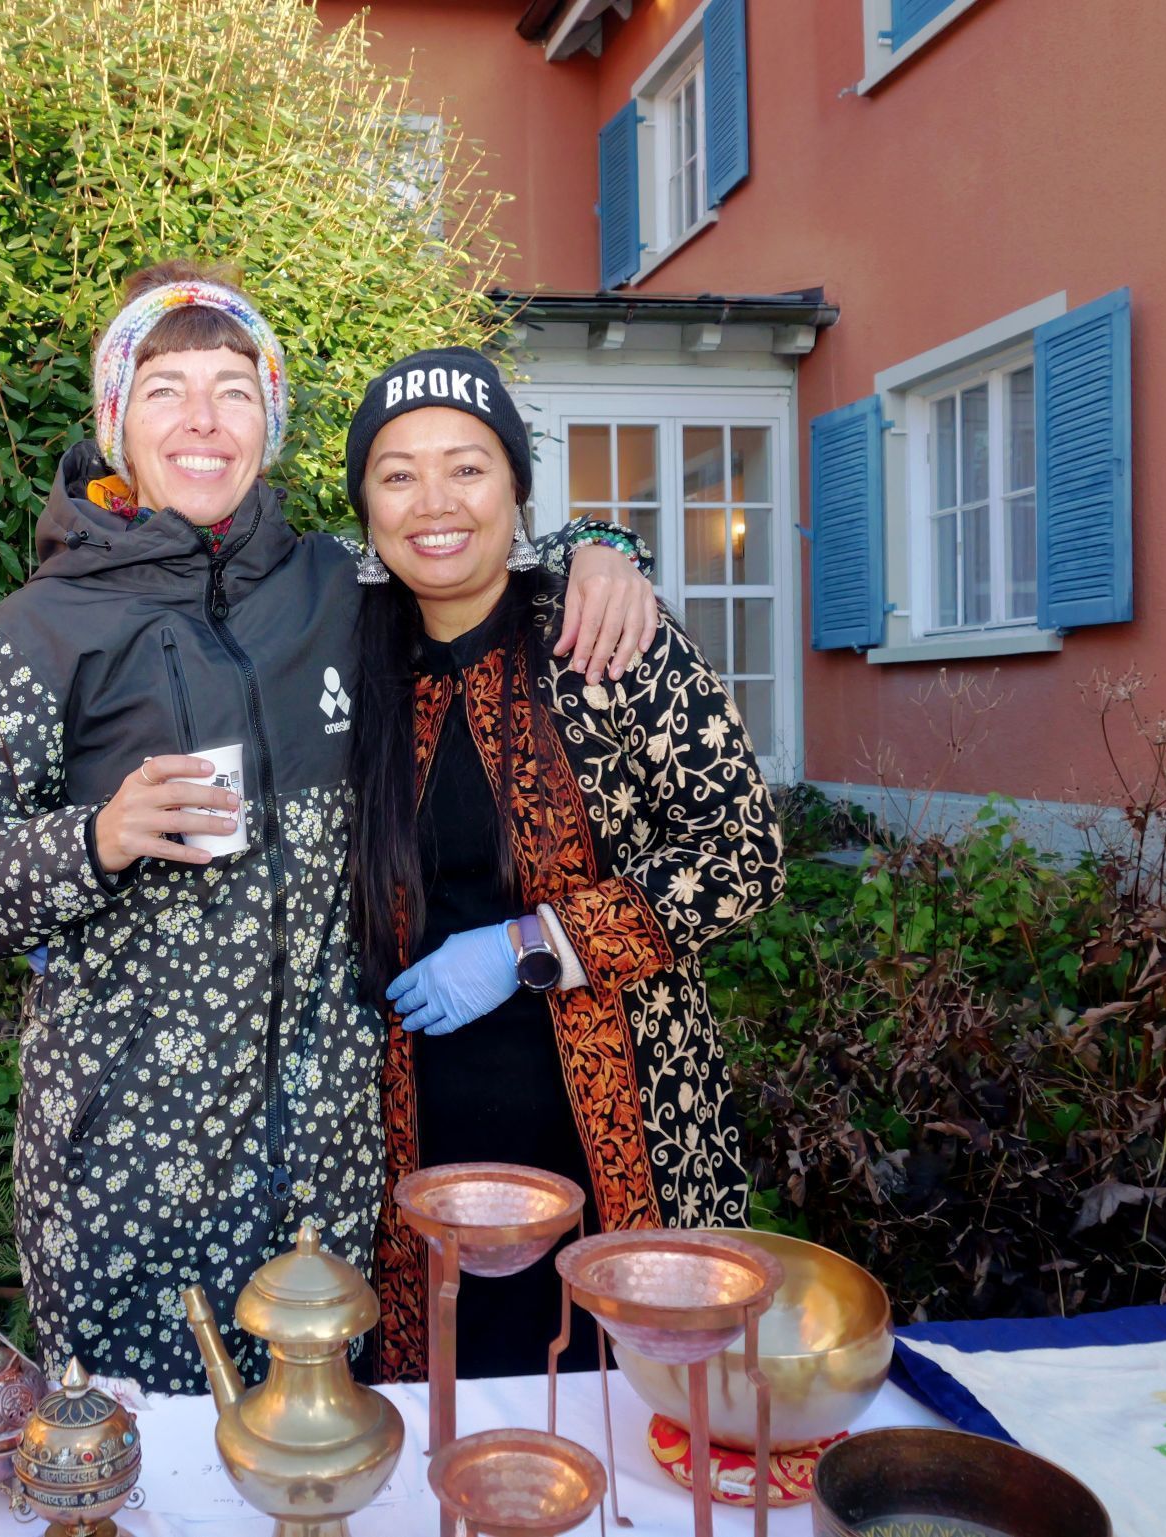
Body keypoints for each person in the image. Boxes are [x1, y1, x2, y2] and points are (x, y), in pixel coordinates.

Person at [0, 263, 660, 1391]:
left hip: (325, 1158)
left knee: (318, 1462)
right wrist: (95, 837)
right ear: (115, 417)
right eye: (165, 390)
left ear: (270, 415)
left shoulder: (336, 586)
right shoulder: (33, 635)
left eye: (233, 388)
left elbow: (460, 541)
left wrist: (606, 545)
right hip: (123, 1169)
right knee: (135, 1476)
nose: (202, 421)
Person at [343, 348, 786, 1383]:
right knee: (437, 1428)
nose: (433, 502)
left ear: (516, 487)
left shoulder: (603, 633)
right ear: (363, 504)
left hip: (622, 1125)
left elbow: (743, 850)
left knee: (633, 1412)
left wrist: (533, 944)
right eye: (396, 473)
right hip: (403, 1140)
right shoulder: (344, 659)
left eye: (468, 466)